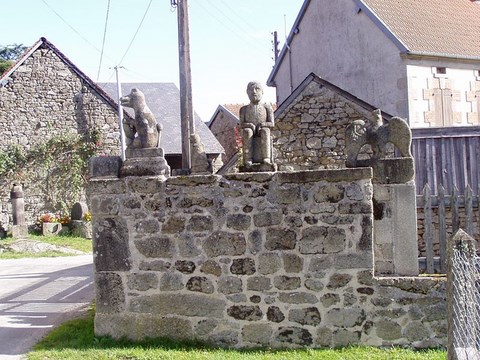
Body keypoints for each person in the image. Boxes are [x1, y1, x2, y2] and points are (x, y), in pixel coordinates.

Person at [239, 81, 274, 166]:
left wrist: (262, 125)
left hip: (261, 129)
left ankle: (266, 158)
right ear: (247, 92)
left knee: (265, 131)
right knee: (247, 132)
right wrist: (250, 125)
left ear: (262, 92)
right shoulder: (244, 109)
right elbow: (241, 124)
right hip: (251, 130)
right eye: (251, 90)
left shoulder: (267, 107)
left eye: (257, 89)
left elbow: (272, 123)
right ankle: (248, 159)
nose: (254, 92)